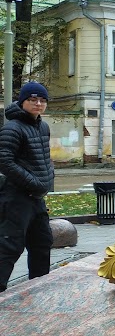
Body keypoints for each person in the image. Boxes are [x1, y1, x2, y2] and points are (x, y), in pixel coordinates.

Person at [0, 82, 55, 291]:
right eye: (33, 100)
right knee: (10, 246)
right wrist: (32, 182)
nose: (38, 104)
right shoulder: (12, 128)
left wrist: (49, 176)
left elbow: (44, 157)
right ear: (23, 102)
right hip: (16, 197)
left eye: (42, 100)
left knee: (42, 242)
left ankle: (38, 288)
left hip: (36, 198)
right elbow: (4, 161)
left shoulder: (43, 126)